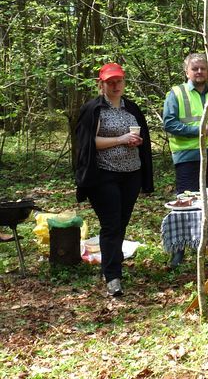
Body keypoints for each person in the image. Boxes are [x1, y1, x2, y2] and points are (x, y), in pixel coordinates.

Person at [75, 63, 154, 296]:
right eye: (110, 82)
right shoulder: (94, 109)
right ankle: (112, 277)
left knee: (121, 222)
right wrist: (120, 139)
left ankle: (112, 263)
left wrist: (136, 141)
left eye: (119, 81)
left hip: (131, 174)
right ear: (101, 84)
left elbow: (142, 138)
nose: (115, 86)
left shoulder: (132, 108)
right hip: (103, 175)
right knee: (111, 224)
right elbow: (88, 144)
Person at [163, 52, 208, 267]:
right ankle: (179, 250)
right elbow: (169, 124)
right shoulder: (176, 93)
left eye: (203, 68)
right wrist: (199, 130)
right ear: (187, 72)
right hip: (188, 157)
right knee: (185, 203)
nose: (199, 72)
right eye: (195, 68)